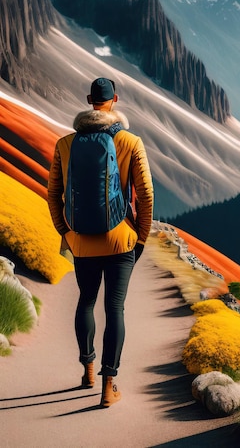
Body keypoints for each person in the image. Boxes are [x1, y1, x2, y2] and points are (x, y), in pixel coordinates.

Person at [47, 77, 154, 407]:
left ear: (89, 100)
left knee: (87, 302)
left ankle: (88, 370)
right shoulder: (130, 142)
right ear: (114, 100)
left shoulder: (66, 144)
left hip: (82, 241)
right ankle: (109, 387)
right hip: (121, 241)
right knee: (115, 307)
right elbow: (146, 196)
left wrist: (65, 232)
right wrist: (141, 239)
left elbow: (53, 194)